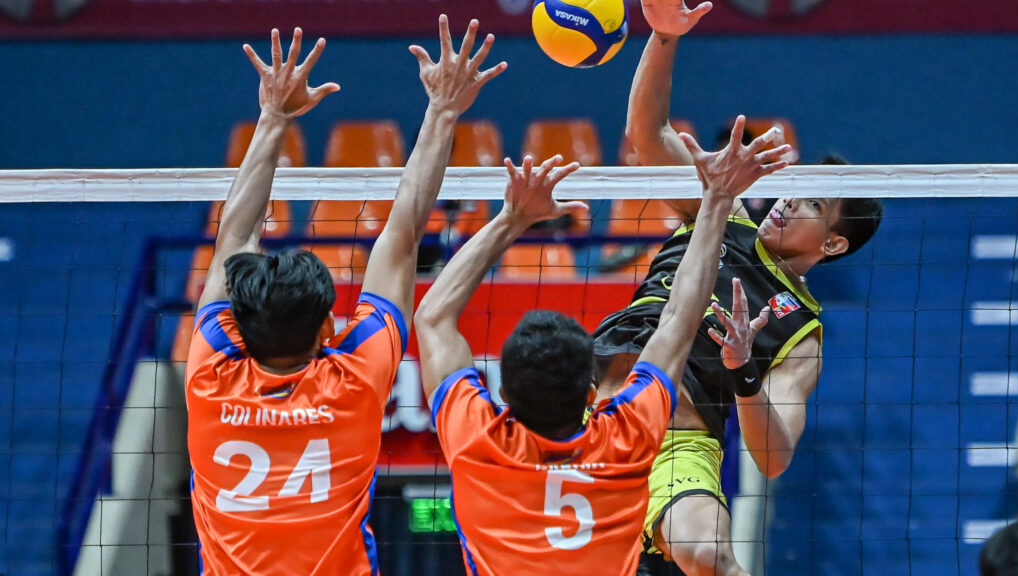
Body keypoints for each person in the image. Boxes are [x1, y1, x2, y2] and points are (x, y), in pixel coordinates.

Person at [185, 19, 505, 574]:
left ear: (242, 325)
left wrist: (273, 116)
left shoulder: (209, 375)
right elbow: (402, 236)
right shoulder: (354, 381)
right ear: (327, 330)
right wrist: (442, 109)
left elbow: (234, 239)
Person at [414, 115, 791, 574]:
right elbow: (678, 320)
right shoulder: (625, 439)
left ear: (504, 393)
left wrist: (511, 218)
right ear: (591, 395)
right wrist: (716, 201)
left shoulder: (476, 442)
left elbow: (431, 318)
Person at [595, 2, 885, 575]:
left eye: (811, 204)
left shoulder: (801, 331)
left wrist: (744, 369)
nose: (787, 201)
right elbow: (647, 134)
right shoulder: (721, 209)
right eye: (794, 188)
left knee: (711, 556)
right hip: (589, 411)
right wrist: (663, 36)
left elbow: (774, 457)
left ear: (833, 244)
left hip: (675, 447)